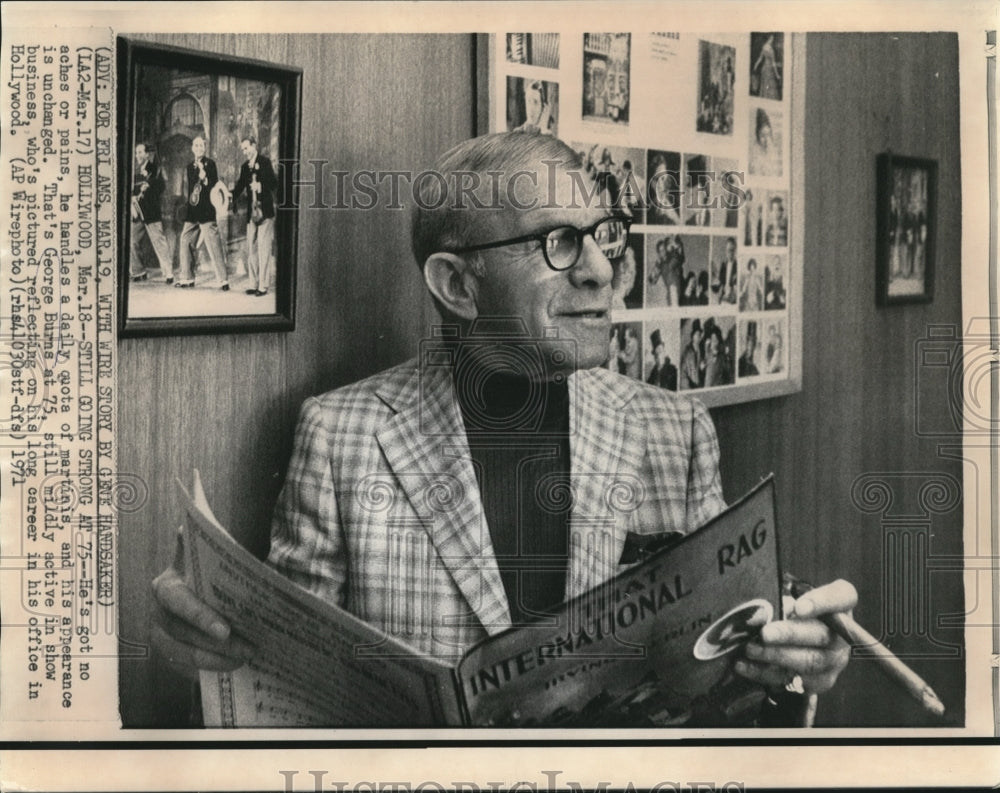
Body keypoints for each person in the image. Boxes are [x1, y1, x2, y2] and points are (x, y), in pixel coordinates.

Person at [152, 131, 855, 721]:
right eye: (559, 242)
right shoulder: (343, 437)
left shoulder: (677, 429)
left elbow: (722, 668)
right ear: (458, 285)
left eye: (604, 236)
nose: (604, 269)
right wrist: (213, 654)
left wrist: (788, 661)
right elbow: (287, 692)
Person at [176, 135, 230, 290]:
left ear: (204, 148)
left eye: (201, 145)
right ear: (193, 148)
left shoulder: (210, 164)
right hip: (193, 210)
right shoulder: (189, 167)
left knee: (214, 244)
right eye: (196, 145)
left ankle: (223, 280)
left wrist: (204, 177)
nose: (199, 148)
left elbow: (214, 184)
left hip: (206, 209)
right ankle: (187, 278)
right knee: (185, 240)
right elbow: (191, 188)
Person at [231, 136, 278, 296]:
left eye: (246, 148)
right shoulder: (245, 167)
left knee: (264, 249)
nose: (245, 152)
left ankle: (263, 286)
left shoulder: (265, 162)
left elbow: (273, 183)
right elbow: (239, 187)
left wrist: (260, 186)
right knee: (251, 248)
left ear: (253, 146)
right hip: (252, 213)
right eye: (243, 149)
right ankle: (253, 283)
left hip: (265, 212)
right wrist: (229, 196)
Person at [129, 142, 173, 283]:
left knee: (159, 243)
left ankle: (168, 273)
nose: (138, 155)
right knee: (132, 240)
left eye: (141, 152)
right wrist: (133, 197)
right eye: (136, 152)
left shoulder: (155, 168)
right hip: (137, 212)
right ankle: (138, 271)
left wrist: (150, 185)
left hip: (151, 212)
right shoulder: (135, 171)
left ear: (147, 154)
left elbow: (161, 186)